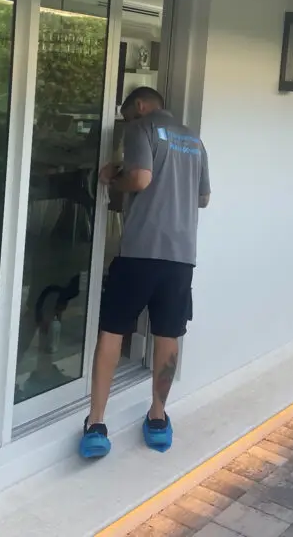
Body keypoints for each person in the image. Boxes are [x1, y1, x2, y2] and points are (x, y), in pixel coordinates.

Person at [79, 87, 210, 458]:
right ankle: (157, 417)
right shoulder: (194, 140)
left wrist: (111, 180)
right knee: (168, 335)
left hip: (140, 252)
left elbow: (140, 179)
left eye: (125, 116)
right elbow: (203, 197)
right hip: (181, 256)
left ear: (138, 107)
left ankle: (97, 424)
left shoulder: (141, 128)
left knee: (113, 331)